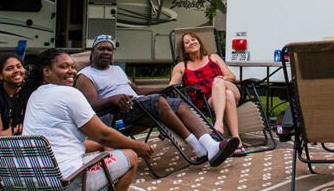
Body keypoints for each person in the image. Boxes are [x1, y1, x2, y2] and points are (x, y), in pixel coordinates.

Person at [21, 48, 153, 191]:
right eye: (63, 67)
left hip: (33, 185)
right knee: (130, 158)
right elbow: (103, 133)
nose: (71, 71)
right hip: (65, 186)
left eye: (73, 67)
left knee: (66, 161)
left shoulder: (35, 97)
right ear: (46, 71)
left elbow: (64, 143)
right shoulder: (70, 94)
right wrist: (137, 146)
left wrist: (100, 146)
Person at [75, 35, 239, 168]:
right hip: (118, 114)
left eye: (109, 49)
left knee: (180, 105)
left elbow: (137, 91)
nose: (106, 52)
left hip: (139, 104)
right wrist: (113, 98)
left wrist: (163, 90)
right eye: (101, 49)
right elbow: (91, 104)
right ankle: (198, 147)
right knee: (159, 102)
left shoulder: (117, 69)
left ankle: (209, 146)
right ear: (93, 52)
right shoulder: (85, 75)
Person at [168, 32, 246, 156]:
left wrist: (221, 80)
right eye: (187, 42)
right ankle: (237, 141)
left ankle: (218, 124)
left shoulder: (213, 58)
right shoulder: (181, 66)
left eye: (193, 39)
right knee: (228, 95)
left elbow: (232, 76)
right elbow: (171, 87)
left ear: (199, 42)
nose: (191, 43)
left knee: (219, 83)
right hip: (208, 101)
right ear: (184, 49)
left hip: (230, 88)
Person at [0, 53, 27, 136]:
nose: (16, 70)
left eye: (19, 66)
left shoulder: (30, 93)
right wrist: (23, 127)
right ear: (0, 75)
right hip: (0, 146)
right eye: (9, 69)